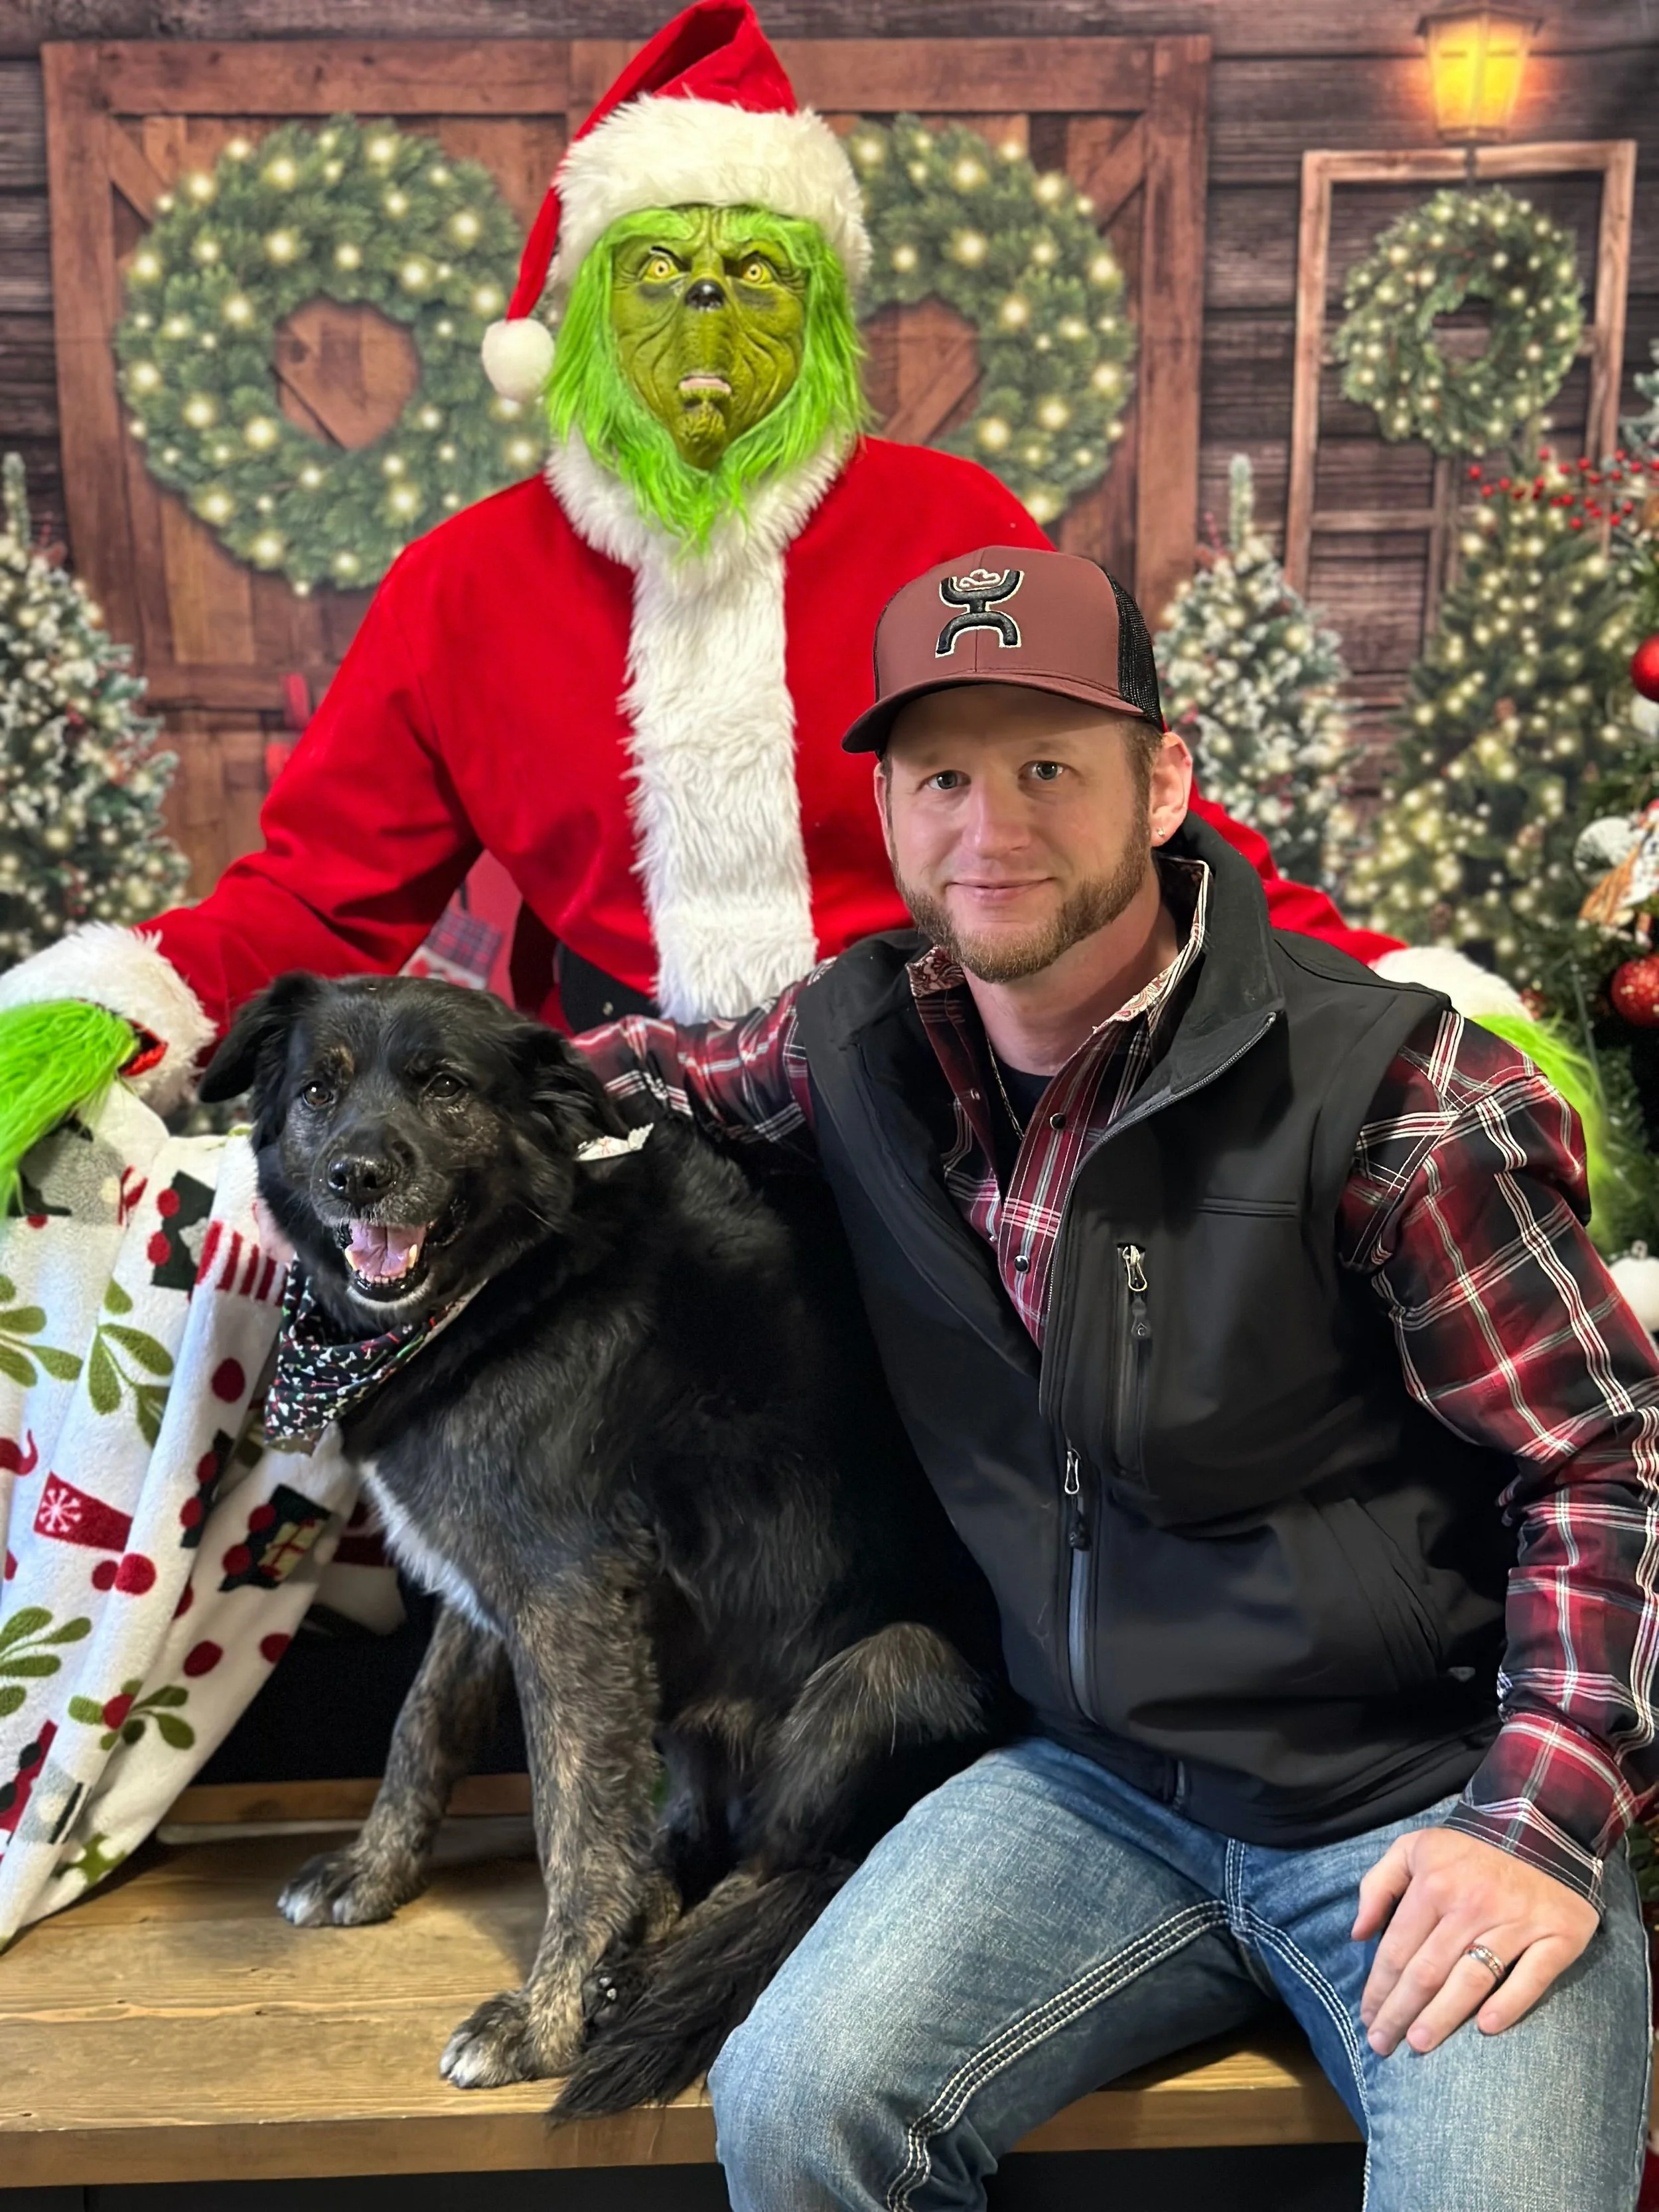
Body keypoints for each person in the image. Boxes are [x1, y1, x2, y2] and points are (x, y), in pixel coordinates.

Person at [577, 544, 1658, 2212]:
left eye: (1047, 766)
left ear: (1162, 780)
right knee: (798, 2108)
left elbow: (1601, 1464)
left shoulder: (1393, 1095)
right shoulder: (851, 1044)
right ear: (884, 803)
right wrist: (335, 1149)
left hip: (1413, 1797)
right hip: (1090, 1784)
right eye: (941, 773)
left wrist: (1537, 1818)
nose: (988, 826)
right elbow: (624, 1082)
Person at [0, 0, 1400, 1135]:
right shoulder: (461, 583)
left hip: (942, 1100)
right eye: (661, 270)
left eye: (759, 270)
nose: (710, 307)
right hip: (612, 1122)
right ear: (582, 321)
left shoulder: (949, 528)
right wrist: (107, 1007)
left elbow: (1121, 820)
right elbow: (317, 894)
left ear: (829, 321)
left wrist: (1394, 999)